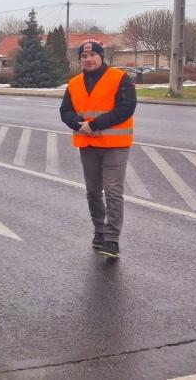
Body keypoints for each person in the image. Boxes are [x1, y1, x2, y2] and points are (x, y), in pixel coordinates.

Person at [59, 39, 136, 259]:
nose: (88, 59)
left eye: (93, 55)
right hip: (88, 145)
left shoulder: (119, 78)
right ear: (80, 60)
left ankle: (112, 240)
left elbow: (126, 108)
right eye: (84, 56)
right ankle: (99, 232)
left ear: (101, 56)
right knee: (93, 192)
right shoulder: (74, 83)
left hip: (115, 146)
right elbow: (65, 111)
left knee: (112, 192)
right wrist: (78, 123)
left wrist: (94, 124)